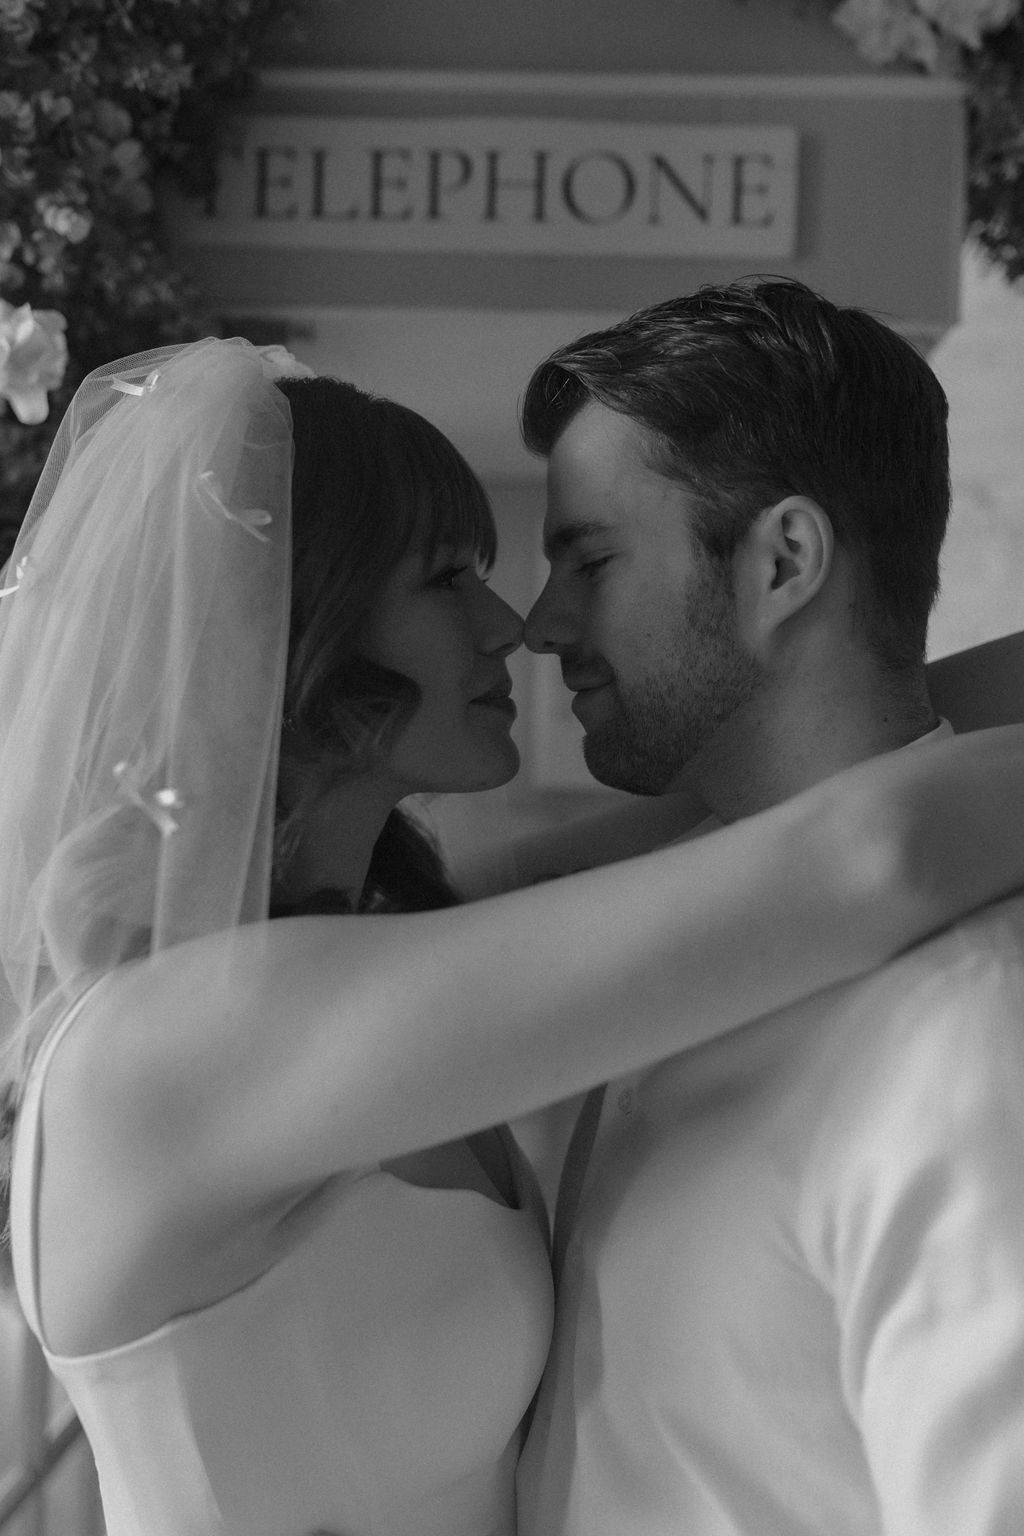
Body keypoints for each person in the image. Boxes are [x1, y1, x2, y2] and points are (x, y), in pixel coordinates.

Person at [0, 340, 1021, 1536]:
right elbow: (860, 855)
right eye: (444, 580)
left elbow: (776, 795)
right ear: (290, 622)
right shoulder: (179, 1044)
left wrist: (859, 633)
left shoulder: (394, 943)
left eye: (572, 558)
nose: (511, 627)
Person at [514, 277, 1024, 1536]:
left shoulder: (973, 1036)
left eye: (587, 559)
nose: (538, 626)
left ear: (782, 561)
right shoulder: (661, 937)